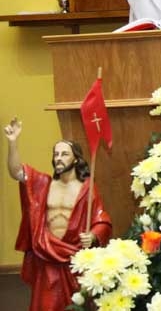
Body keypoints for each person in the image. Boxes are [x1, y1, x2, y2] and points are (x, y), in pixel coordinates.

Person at [5, 117, 112, 311]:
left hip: (74, 258)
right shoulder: (43, 184)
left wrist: (94, 235)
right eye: (56, 154)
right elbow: (17, 172)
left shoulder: (86, 188)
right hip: (47, 255)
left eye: (64, 154)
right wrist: (13, 143)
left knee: (77, 305)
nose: (58, 158)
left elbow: (101, 217)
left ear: (76, 159)